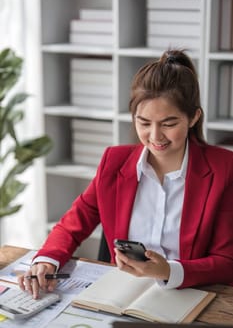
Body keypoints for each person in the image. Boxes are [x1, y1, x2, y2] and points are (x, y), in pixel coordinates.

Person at [18, 49, 233, 299]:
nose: (155, 136)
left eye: (169, 123)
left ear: (193, 117)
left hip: (190, 296)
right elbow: (73, 224)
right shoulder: (114, 162)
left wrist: (169, 270)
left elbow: (226, 261)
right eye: (144, 122)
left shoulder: (223, 168)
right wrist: (47, 260)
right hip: (119, 295)